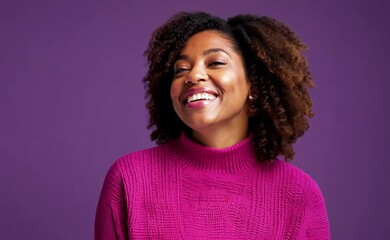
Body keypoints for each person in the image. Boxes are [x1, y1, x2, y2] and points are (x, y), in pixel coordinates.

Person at [95, 11, 330, 239]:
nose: (194, 75)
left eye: (216, 62)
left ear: (255, 86)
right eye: (181, 69)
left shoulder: (299, 193)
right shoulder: (129, 178)